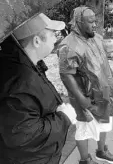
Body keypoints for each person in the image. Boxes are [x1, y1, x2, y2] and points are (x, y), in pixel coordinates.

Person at [0, 13, 77, 164]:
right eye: (52, 34)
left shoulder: (26, 66)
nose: (56, 38)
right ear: (36, 41)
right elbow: (23, 135)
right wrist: (63, 118)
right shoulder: (20, 80)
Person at [57, 7, 113, 164]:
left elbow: (102, 62)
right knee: (84, 129)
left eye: (95, 20)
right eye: (90, 21)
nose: (95, 24)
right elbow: (66, 74)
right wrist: (80, 98)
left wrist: (110, 80)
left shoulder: (97, 38)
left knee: (105, 122)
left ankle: (101, 151)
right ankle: (85, 160)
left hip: (104, 91)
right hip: (86, 96)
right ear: (79, 22)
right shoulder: (68, 45)